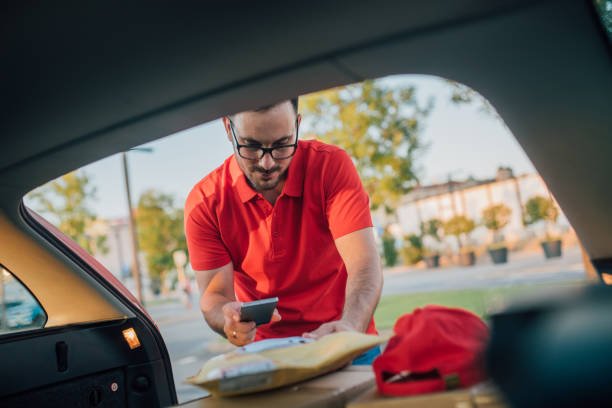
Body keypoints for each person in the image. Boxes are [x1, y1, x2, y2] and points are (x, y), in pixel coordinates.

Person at [184, 98, 383, 363]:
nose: (267, 163)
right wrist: (227, 320)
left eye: (281, 145)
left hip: (347, 337)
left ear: (297, 125)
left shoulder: (330, 166)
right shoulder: (205, 202)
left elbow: (365, 265)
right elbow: (215, 295)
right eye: (252, 146)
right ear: (228, 128)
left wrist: (350, 326)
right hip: (270, 354)